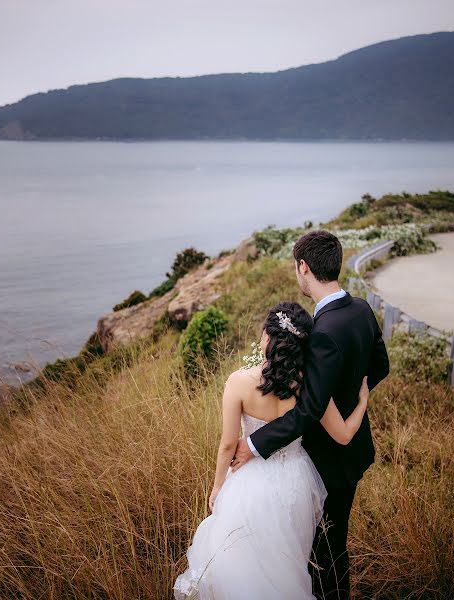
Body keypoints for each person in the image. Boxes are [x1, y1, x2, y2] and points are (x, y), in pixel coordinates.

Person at [173, 300, 371, 600]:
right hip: (297, 485)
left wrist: (217, 488)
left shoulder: (238, 382)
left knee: (242, 566)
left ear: (267, 337)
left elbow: (228, 444)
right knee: (288, 564)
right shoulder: (309, 385)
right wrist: (362, 405)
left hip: (248, 484)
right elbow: (343, 435)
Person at [231, 230, 391, 600]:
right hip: (355, 449)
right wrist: (354, 401)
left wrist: (253, 444)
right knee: (334, 542)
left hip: (327, 461)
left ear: (303, 267)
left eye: (295, 266)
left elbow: (309, 410)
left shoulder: (322, 332)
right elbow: (380, 366)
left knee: (324, 552)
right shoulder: (361, 309)